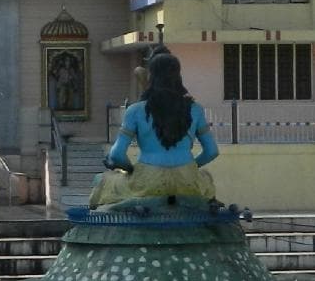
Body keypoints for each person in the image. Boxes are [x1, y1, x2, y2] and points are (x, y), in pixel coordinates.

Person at [88, 47, 219, 209]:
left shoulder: (135, 111)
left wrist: (131, 170)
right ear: (178, 76)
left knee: (105, 181)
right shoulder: (195, 109)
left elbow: (116, 155)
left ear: (151, 76)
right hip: (188, 181)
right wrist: (190, 167)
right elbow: (212, 151)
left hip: (148, 181)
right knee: (205, 178)